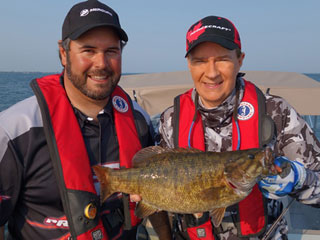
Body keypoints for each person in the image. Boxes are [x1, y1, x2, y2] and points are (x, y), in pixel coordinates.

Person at [0, 0, 154, 239]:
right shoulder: (15, 130)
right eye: (88, 50)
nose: (101, 64)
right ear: (63, 53)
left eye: (111, 51)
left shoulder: (139, 122)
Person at [158, 16, 320, 239]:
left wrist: (299, 179)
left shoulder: (276, 112)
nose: (212, 72)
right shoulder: (170, 120)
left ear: (240, 60)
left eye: (223, 59)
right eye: (200, 61)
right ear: (189, 64)